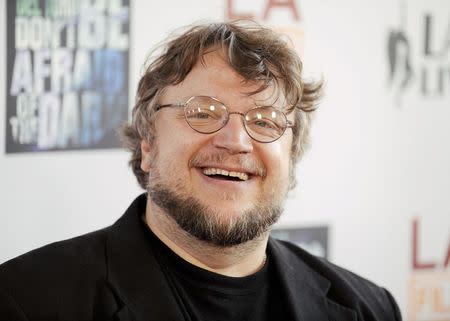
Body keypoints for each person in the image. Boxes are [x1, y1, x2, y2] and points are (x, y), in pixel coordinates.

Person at [0, 21, 402, 321]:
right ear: (148, 144)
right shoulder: (26, 300)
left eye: (265, 121)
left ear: (292, 156)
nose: (236, 141)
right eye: (203, 113)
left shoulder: (369, 308)